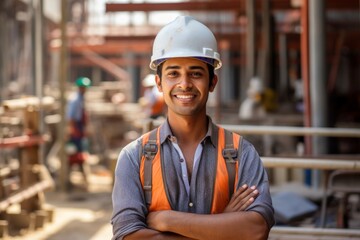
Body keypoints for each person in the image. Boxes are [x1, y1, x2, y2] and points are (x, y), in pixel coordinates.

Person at [111, 16, 274, 240]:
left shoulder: (242, 153)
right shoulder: (134, 157)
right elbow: (127, 235)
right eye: (173, 73)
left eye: (196, 73)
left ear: (212, 82)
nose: (185, 83)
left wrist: (166, 220)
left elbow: (256, 230)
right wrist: (222, 227)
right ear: (159, 83)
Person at [66, 76, 92, 190]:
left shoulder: (81, 98)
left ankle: (84, 180)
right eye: (83, 87)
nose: (84, 90)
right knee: (73, 154)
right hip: (75, 129)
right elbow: (71, 117)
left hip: (80, 129)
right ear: (79, 88)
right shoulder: (75, 99)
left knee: (81, 154)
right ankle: (68, 180)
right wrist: (72, 130)